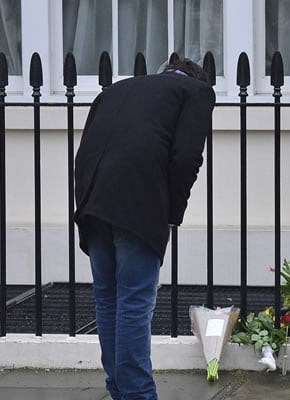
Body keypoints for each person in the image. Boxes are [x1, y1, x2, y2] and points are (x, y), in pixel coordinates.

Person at [74, 58, 215, 399]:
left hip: (92, 194)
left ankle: (119, 389)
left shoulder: (117, 89)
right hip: (136, 197)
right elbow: (185, 158)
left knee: (108, 299)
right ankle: (137, 394)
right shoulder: (196, 92)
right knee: (135, 302)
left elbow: (89, 145)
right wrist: (171, 213)